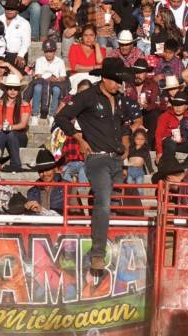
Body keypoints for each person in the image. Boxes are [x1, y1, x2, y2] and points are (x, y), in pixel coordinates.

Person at [54, 58, 131, 271]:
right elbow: (61, 117)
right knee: (104, 202)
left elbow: (124, 124)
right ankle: (98, 252)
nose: (118, 85)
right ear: (105, 79)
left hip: (116, 158)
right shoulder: (86, 97)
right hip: (97, 158)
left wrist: (126, 144)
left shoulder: (121, 99)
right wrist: (79, 139)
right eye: (115, 81)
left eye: (120, 81)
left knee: (115, 206)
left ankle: (114, 250)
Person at [0, 74, 31, 171]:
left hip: (19, 136)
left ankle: (14, 164)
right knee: (1, 134)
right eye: (10, 88)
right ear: (6, 89)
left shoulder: (24, 105)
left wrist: (9, 127)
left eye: (15, 89)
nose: (13, 91)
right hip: (2, 133)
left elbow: (23, 124)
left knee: (10, 133)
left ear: (19, 90)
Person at [29, 39, 68, 122]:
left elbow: (63, 76)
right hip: (42, 81)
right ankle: (35, 114)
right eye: (47, 52)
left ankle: (52, 114)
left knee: (56, 90)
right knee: (37, 88)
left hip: (55, 82)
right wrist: (47, 79)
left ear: (54, 51)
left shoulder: (60, 61)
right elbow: (38, 75)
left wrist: (57, 79)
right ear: (44, 52)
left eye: (51, 51)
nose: (49, 54)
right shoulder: (40, 60)